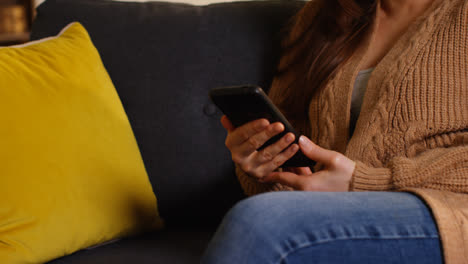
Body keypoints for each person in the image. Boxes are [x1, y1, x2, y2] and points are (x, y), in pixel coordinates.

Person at [202, 0, 468, 263]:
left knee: (260, 224)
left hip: (451, 213)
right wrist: (264, 166)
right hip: (335, 213)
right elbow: (297, 156)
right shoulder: (324, 12)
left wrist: (366, 181)